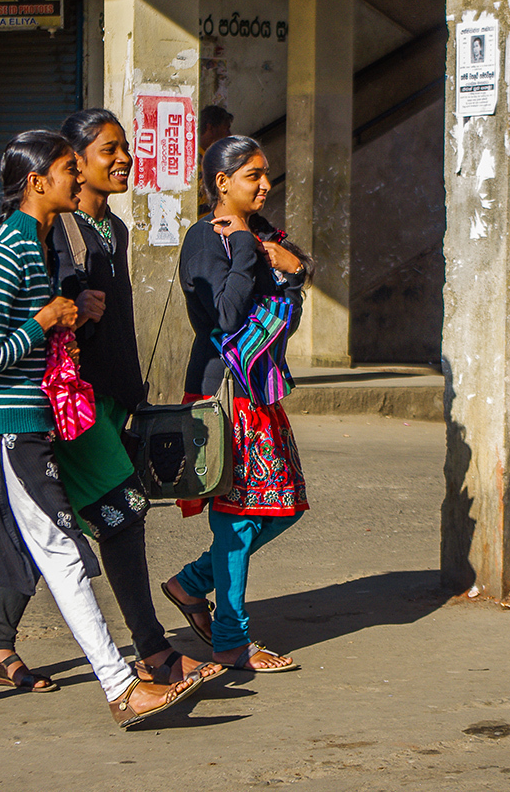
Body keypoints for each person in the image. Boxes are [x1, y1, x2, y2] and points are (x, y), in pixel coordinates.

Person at [0, 130, 194, 727]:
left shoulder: (43, 243)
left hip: (31, 422)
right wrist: (44, 320)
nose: (77, 179)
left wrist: (70, 311)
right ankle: (120, 685)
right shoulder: (5, 250)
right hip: (10, 427)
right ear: (36, 183)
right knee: (62, 553)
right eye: (66, 170)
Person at [0, 109, 222, 693]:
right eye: (107, 150)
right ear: (72, 164)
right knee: (119, 513)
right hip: (67, 406)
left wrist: (133, 395)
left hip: (110, 400)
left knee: (47, 527)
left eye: (125, 149)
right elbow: (30, 324)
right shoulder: (50, 235)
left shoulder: (112, 229)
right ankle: (152, 653)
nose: (123, 160)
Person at [161, 135, 310, 674]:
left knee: (282, 507)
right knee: (238, 520)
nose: (265, 184)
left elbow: (286, 308)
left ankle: (193, 582)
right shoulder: (207, 239)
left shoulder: (261, 234)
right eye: (253, 175)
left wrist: (293, 271)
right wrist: (248, 246)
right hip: (223, 393)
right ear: (222, 183)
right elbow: (224, 317)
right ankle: (230, 639)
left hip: (260, 391)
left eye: (266, 173)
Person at [197, 105, 234, 215]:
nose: (229, 134)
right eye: (226, 129)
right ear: (210, 128)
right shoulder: (198, 162)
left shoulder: (206, 158)